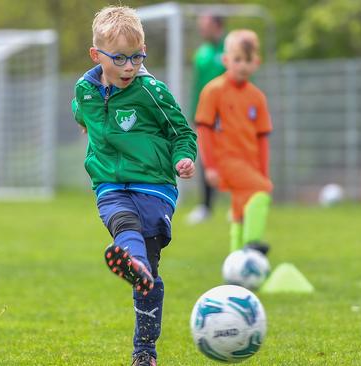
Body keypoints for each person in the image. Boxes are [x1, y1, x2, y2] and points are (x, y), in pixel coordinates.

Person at [71, 6, 197, 366]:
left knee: (150, 274)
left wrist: (182, 158)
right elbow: (81, 112)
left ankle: (145, 348)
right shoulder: (85, 90)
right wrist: (88, 127)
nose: (130, 66)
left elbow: (182, 132)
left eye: (137, 57)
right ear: (97, 56)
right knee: (122, 224)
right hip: (109, 183)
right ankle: (133, 264)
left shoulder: (152, 91)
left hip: (154, 186)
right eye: (121, 58)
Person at [194, 29, 272, 255]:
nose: (242, 65)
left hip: (249, 163)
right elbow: (204, 129)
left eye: (247, 60)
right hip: (225, 160)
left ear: (256, 62)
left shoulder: (257, 97)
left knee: (240, 210)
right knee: (263, 190)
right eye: (237, 59)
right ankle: (253, 243)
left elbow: (262, 138)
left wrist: (263, 170)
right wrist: (210, 166)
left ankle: (236, 261)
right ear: (227, 60)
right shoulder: (213, 91)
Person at [185, 14, 226, 225]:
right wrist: (195, 113)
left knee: (232, 157)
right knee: (207, 159)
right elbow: (197, 87)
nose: (202, 30)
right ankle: (206, 207)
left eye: (206, 26)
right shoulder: (201, 54)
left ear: (217, 26)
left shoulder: (230, 50)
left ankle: (238, 204)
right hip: (205, 116)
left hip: (228, 115)